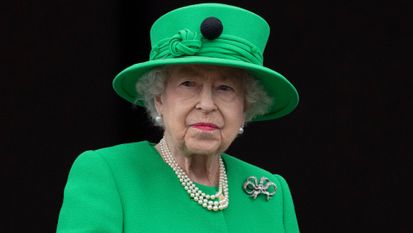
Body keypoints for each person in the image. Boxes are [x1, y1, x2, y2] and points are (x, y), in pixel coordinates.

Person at [57, 3, 300, 233]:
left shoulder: (271, 192)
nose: (206, 104)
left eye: (225, 88)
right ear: (159, 99)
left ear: (245, 106)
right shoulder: (108, 173)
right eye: (188, 84)